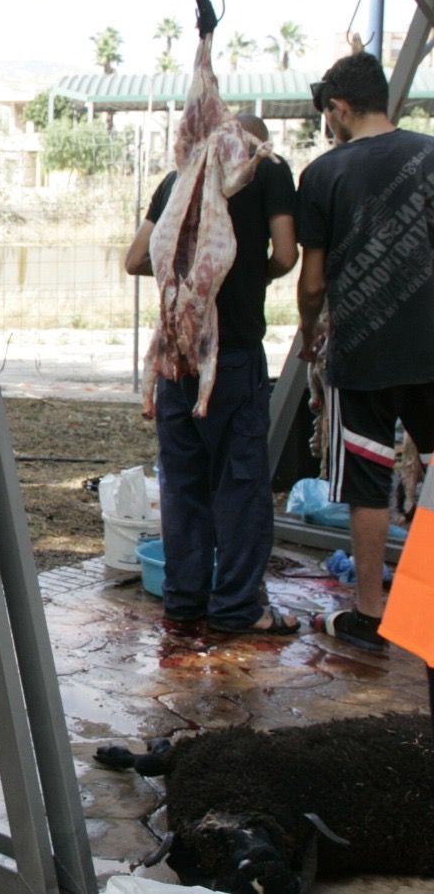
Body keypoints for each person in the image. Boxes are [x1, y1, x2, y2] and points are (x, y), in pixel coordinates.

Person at [123, 113, 298, 634]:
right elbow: (287, 253)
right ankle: (239, 608)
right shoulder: (268, 171)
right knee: (240, 485)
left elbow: (135, 258)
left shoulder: (178, 182)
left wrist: (188, 276)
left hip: (178, 355)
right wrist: (242, 275)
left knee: (182, 484)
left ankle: (184, 600)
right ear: (254, 145)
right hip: (232, 355)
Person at [296, 51, 434, 652]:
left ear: (338, 108)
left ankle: (371, 613)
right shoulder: (431, 154)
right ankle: (426, 606)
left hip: (363, 351)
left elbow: (313, 281)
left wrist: (308, 334)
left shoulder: (324, 174)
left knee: (368, 479)